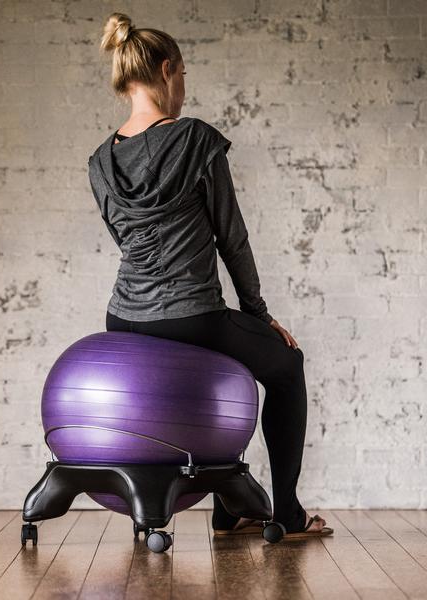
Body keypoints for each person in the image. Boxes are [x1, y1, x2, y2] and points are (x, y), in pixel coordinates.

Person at [87, 12, 333, 537]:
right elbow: (231, 237)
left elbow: (126, 241)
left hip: (123, 318)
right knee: (287, 365)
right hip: (192, 315)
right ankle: (285, 511)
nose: (183, 88)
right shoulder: (194, 138)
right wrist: (260, 317)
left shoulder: (99, 163)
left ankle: (229, 508)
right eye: (183, 76)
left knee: (230, 368)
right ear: (167, 70)